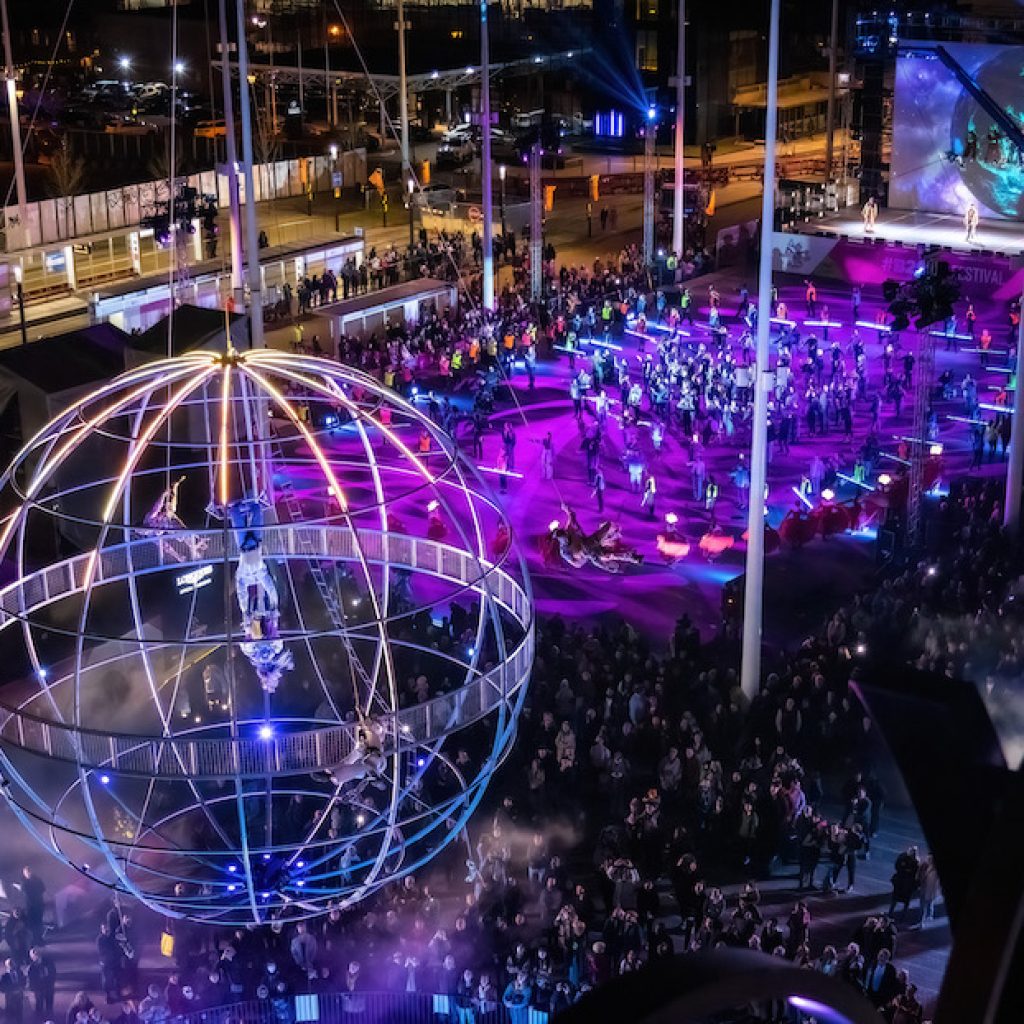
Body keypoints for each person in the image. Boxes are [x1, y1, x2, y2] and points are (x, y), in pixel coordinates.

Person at [26, 947, 55, 1018]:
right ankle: (39, 1019)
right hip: (39, 989)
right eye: (34, 955)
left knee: (49, 1004)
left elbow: (53, 972)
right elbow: (31, 979)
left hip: (49, 986)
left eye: (37, 954)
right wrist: (33, 988)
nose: (36, 956)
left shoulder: (48, 962)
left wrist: (52, 982)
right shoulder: (31, 967)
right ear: (32, 957)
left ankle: (50, 1018)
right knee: (39, 1005)